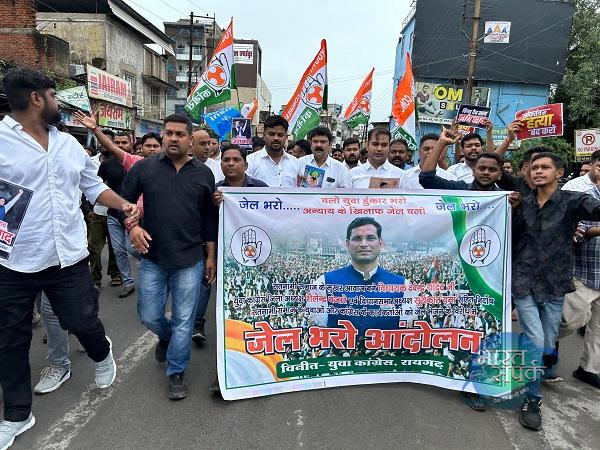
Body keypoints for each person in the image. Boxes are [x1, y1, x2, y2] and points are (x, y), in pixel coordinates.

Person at [0, 67, 137, 449]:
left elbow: (94, 189)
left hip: (68, 259)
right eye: (54, 96)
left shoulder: (68, 145)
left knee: (82, 321)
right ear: (36, 99)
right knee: (10, 340)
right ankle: (16, 415)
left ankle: (102, 352)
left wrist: (125, 204)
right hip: (14, 262)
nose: (59, 105)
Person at [122, 113, 218, 400]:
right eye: (168, 133)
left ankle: (176, 371)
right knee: (149, 315)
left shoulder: (203, 173)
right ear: (162, 135)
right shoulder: (144, 169)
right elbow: (123, 203)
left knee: (184, 319)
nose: (173, 138)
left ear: (190, 140)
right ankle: (164, 336)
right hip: (152, 257)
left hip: (190, 259)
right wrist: (133, 226)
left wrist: (210, 256)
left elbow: (208, 219)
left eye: (179, 134)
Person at [512, 150, 600, 431]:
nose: (538, 171)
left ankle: (528, 359)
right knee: (538, 341)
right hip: (523, 281)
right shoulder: (520, 203)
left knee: (548, 342)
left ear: (559, 173)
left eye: (545, 167)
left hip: (555, 284)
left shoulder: (574, 201)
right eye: (534, 167)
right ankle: (531, 399)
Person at [308, 217, 415, 335]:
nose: (364, 244)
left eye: (370, 238)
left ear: (380, 243)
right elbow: (317, 332)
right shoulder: (324, 283)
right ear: (347, 244)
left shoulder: (403, 286)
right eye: (357, 238)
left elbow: (407, 334)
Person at [557, 150, 600, 389]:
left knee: (598, 327)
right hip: (582, 269)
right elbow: (570, 230)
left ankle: (589, 368)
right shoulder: (576, 188)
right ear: (592, 165)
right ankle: (542, 345)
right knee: (569, 321)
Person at [91, 129, 136, 298]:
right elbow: (96, 186)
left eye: (124, 142)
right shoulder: (107, 165)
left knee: (132, 249)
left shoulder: (136, 164)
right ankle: (128, 282)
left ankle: (151, 274)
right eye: (117, 143)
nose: (120, 145)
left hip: (134, 216)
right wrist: (90, 207)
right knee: (118, 251)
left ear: (131, 144)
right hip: (112, 215)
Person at [246, 115, 299, 187]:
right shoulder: (250, 161)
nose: (276, 138)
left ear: (286, 137)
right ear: (264, 135)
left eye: (280, 135)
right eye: (271, 134)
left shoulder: (296, 163)